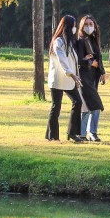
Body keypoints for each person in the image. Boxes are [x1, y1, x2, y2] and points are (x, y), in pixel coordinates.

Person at [46, 14, 84, 142]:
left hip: (69, 80)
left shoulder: (70, 42)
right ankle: (52, 136)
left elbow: (73, 61)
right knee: (56, 107)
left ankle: (72, 133)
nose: (75, 28)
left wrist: (75, 74)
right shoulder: (58, 42)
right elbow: (62, 60)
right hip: (58, 79)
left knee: (77, 101)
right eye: (73, 26)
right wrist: (71, 74)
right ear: (67, 27)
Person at [74, 14, 106, 141]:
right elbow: (77, 60)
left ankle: (84, 133)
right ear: (82, 26)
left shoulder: (93, 39)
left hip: (93, 77)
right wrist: (89, 62)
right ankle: (90, 132)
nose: (88, 27)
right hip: (84, 76)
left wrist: (102, 71)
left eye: (91, 24)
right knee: (95, 105)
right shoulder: (79, 40)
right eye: (86, 24)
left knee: (88, 106)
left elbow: (98, 57)